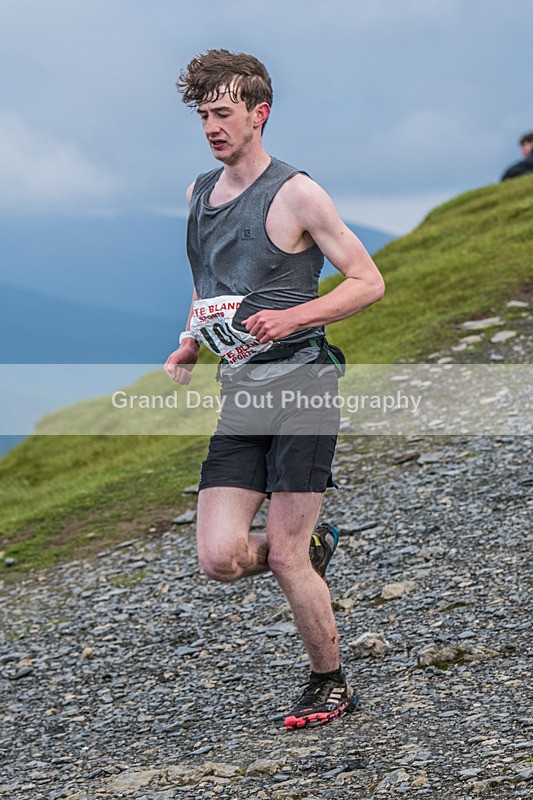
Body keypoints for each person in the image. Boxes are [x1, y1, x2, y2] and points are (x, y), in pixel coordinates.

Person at [164, 49, 384, 729]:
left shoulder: (297, 193)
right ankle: (314, 552)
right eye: (203, 114)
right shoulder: (201, 192)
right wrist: (190, 343)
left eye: (223, 112)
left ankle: (330, 683)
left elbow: (366, 281)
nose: (211, 126)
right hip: (244, 394)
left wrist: (293, 314)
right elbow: (209, 285)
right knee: (219, 559)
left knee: (283, 555)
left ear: (259, 114)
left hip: (304, 385)